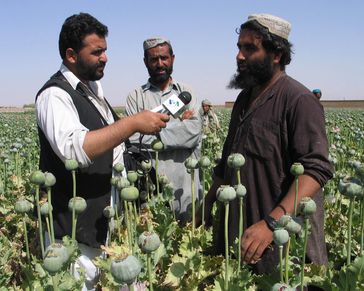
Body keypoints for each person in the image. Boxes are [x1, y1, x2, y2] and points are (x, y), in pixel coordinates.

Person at [35, 13, 169, 290]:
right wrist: (131, 123)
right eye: (97, 52)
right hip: (72, 238)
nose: (105, 57)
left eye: (105, 50)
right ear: (72, 55)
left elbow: (111, 143)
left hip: (102, 227)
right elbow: (75, 150)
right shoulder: (54, 95)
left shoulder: (93, 90)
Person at [199, 13, 333, 276]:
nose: (239, 56)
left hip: (284, 245)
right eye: (239, 47)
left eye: (250, 48)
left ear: (276, 55)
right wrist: (208, 201)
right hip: (244, 236)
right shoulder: (243, 99)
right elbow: (228, 159)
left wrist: (271, 223)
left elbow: (316, 170)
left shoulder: (299, 100)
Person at [125, 36, 202, 222]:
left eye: (164, 58)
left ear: (172, 59)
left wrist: (148, 127)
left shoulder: (187, 92)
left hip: (186, 192)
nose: (160, 63)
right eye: (153, 59)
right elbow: (135, 140)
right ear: (145, 62)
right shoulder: (135, 97)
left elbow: (192, 133)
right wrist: (177, 126)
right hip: (151, 194)